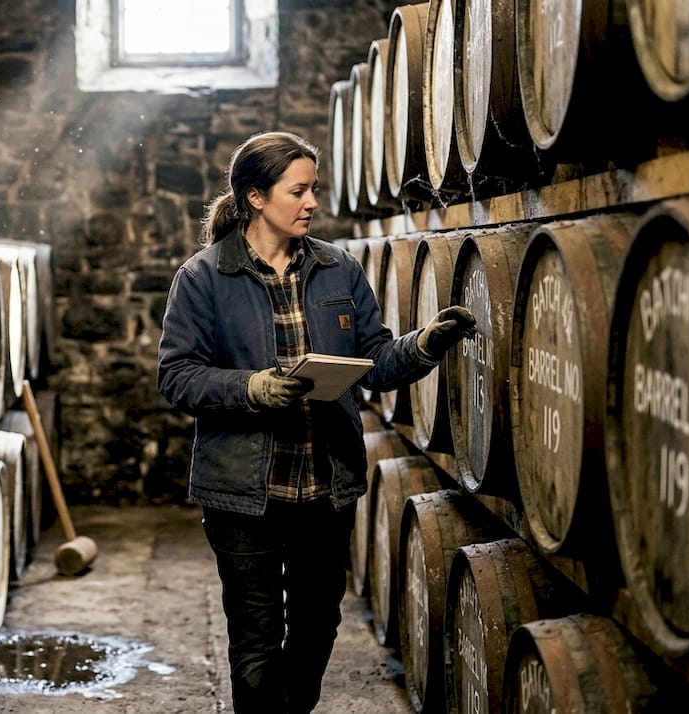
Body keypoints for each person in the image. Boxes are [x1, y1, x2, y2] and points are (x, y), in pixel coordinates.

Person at [156, 130, 475, 712]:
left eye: (314, 190)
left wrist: (424, 344)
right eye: (297, 191)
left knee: (315, 631)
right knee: (255, 642)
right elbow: (177, 375)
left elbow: (373, 361)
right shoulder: (203, 278)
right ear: (255, 197)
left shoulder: (337, 269)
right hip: (243, 493)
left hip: (325, 486)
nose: (311, 203)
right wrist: (251, 387)